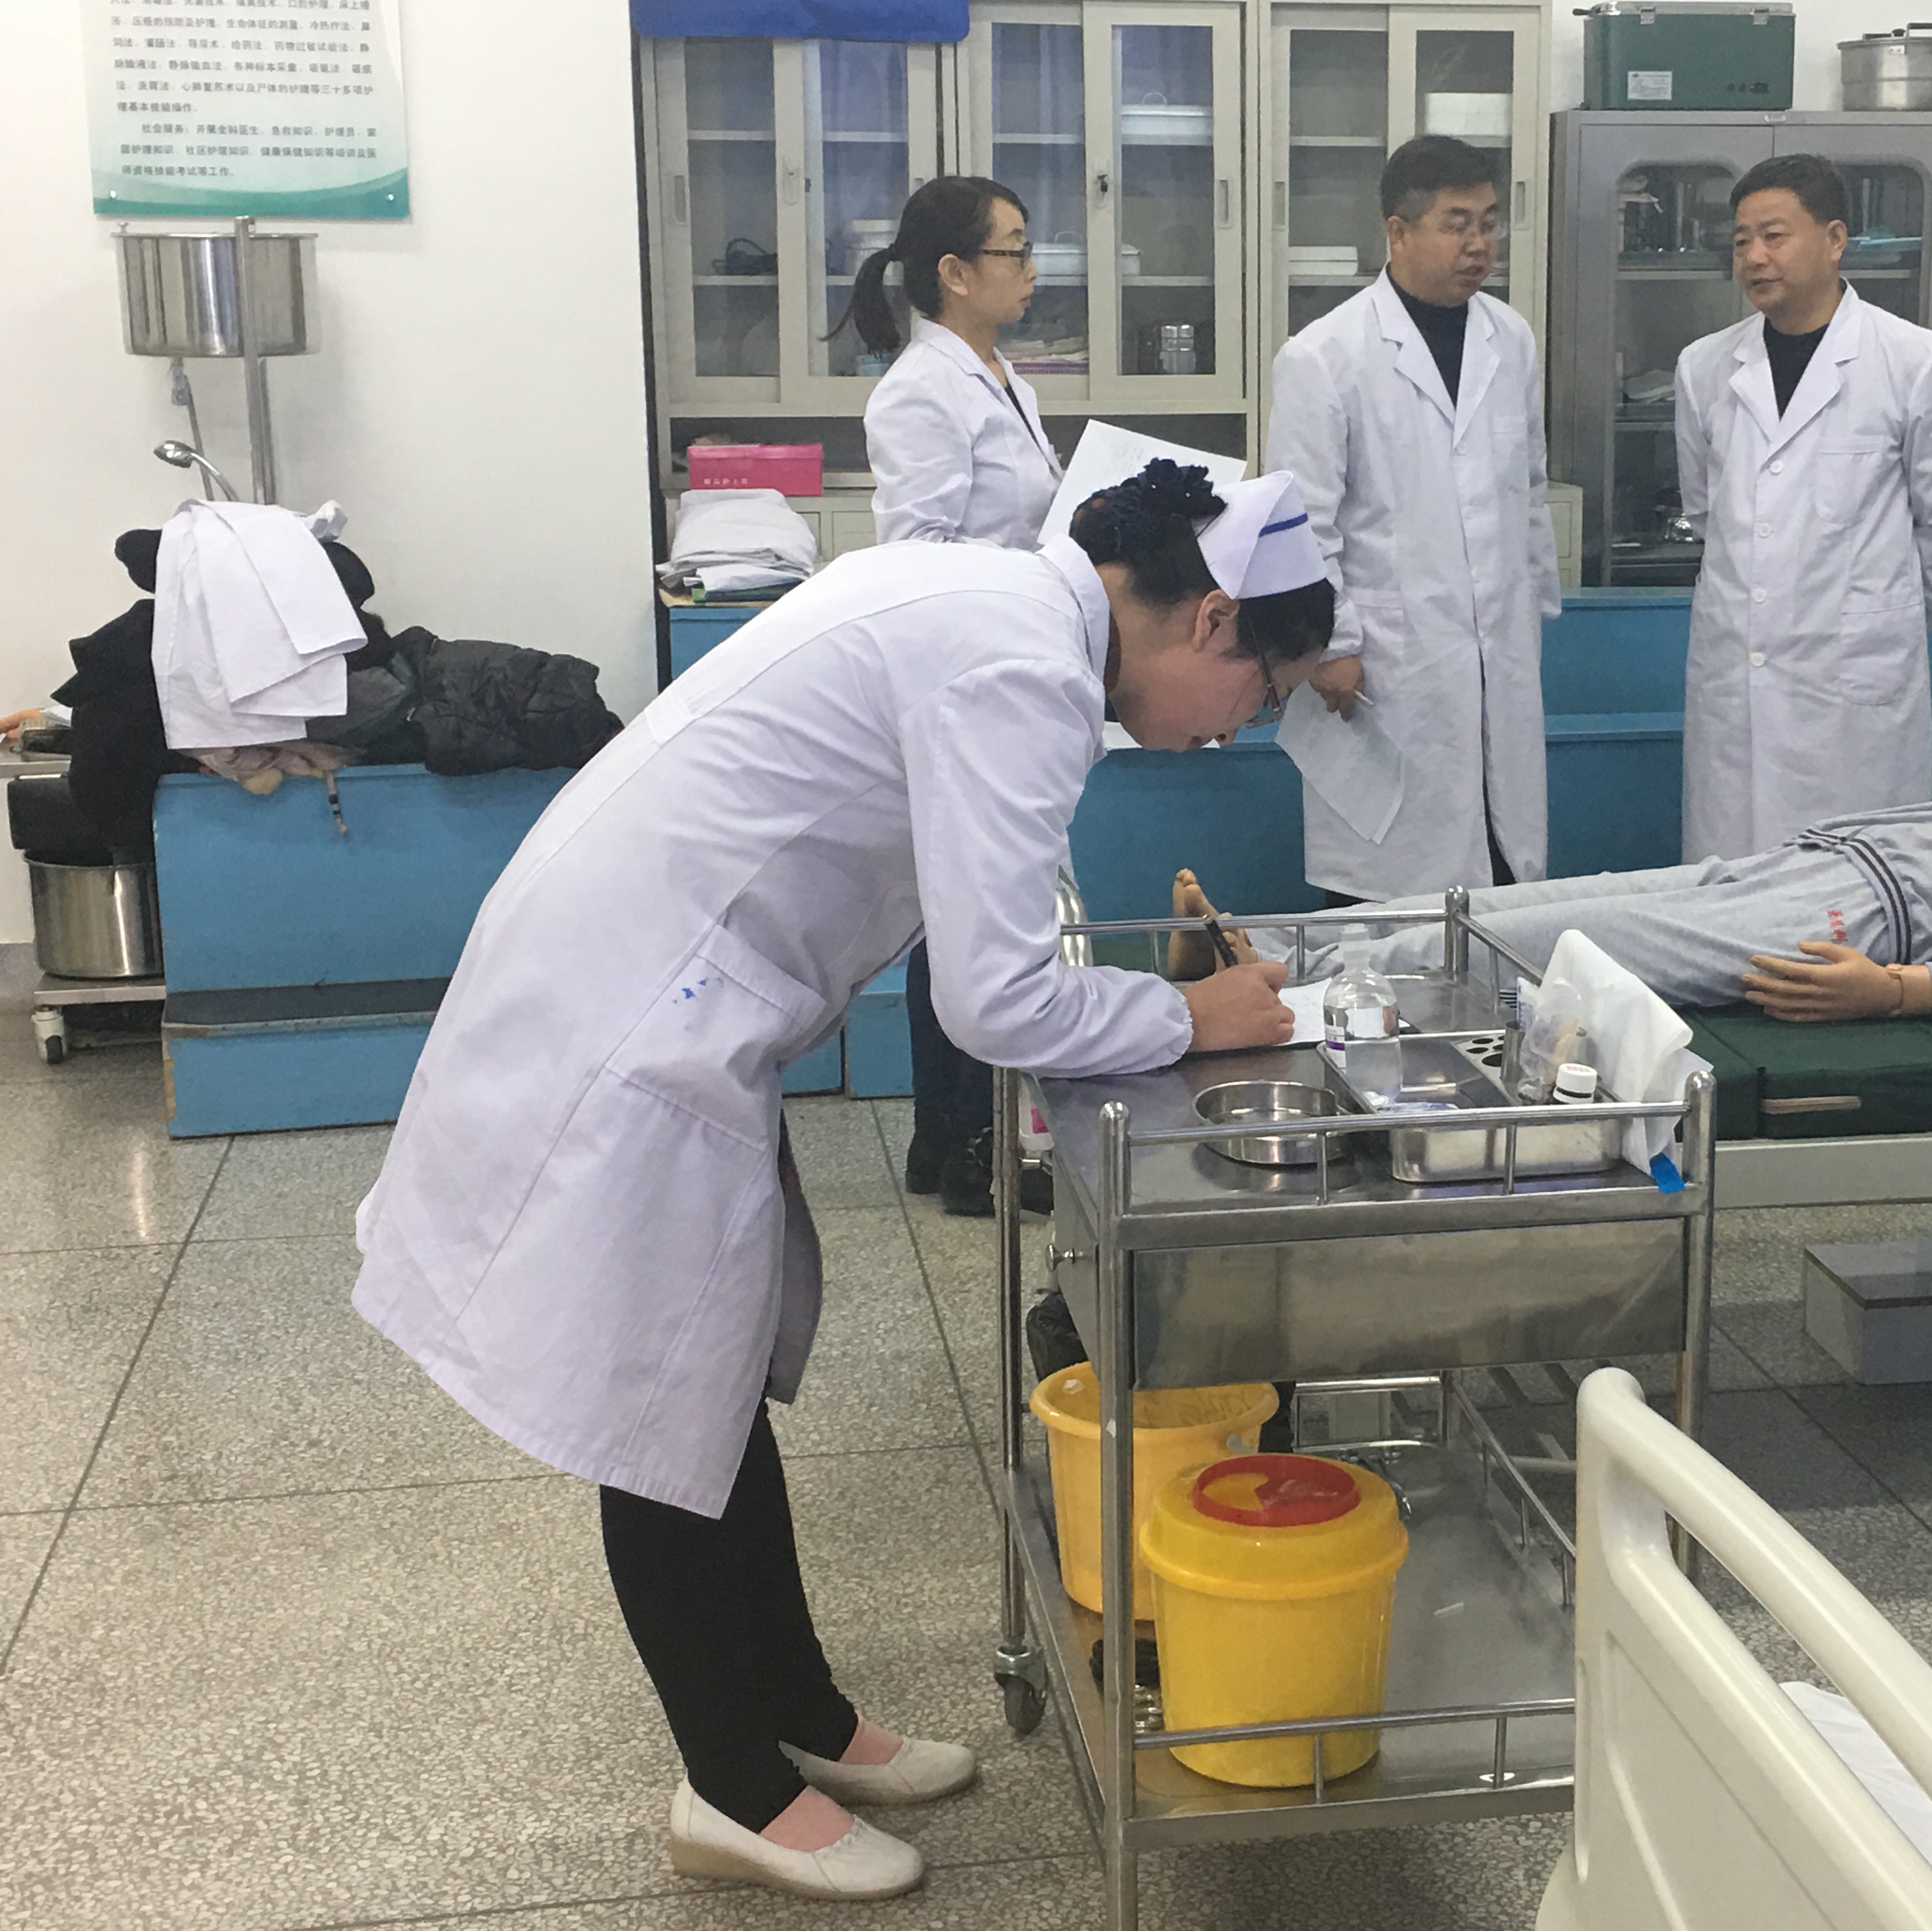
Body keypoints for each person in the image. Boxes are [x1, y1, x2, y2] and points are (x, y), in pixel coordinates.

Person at [350, 462, 1332, 1903]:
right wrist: (1197, 1017)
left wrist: (1153, 1005)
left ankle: (800, 1715)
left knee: (707, 1385)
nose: (1240, 723)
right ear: (1213, 619)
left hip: (650, 982)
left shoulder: (995, 600)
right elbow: (995, 1002)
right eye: (1265, 688)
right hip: (632, 1017)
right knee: (660, 1406)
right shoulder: (1021, 667)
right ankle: (731, 1788)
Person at [1177, 778, 1932, 1026]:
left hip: (1866, 932)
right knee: (1541, 898)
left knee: (1538, 944)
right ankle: (1267, 942)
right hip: (1833, 867)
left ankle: (1286, 986)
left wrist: (1911, 991)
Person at [840, 175, 1066, 1216]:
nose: (1031, 268)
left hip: (1015, 670)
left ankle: (949, 1134)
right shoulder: (919, 392)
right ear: (955, 272)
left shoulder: (1002, 377)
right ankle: (971, 1140)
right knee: (973, 914)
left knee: (978, 908)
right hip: (964, 682)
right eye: (1013, 249)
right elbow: (920, 553)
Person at [1265, 134, 1560, 901]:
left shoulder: (1511, 339)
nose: (1479, 244)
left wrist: (1531, 610)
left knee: (1500, 874)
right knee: (1386, 892)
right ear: (1397, 232)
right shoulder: (1324, 356)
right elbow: (1302, 522)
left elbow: (1528, 487)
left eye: (1489, 224)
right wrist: (1331, 644)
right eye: (1456, 224)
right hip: (1383, 668)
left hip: (1496, 655)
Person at [1673, 153, 1932, 861]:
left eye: (1775, 236)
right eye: (1741, 241)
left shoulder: (1920, 363)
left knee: (1848, 886)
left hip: (1854, 694)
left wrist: (1878, 617)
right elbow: (1707, 513)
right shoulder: (1705, 367)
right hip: (1736, 683)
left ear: (1835, 239)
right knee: (1732, 884)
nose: (1755, 257)